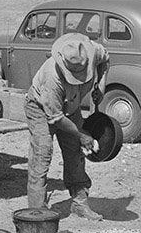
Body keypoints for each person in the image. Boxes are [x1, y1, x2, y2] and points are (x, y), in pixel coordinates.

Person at [25, 32, 109, 221]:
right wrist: (82, 134)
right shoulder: (52, 78)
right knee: (42, 155)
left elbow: (106, 59)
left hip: (70, 106)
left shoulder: (91, 52)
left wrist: (101, 85)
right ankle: (37, 215)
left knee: (75, 153)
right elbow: (56, 118)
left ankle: (80, 204)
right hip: (40, 109)